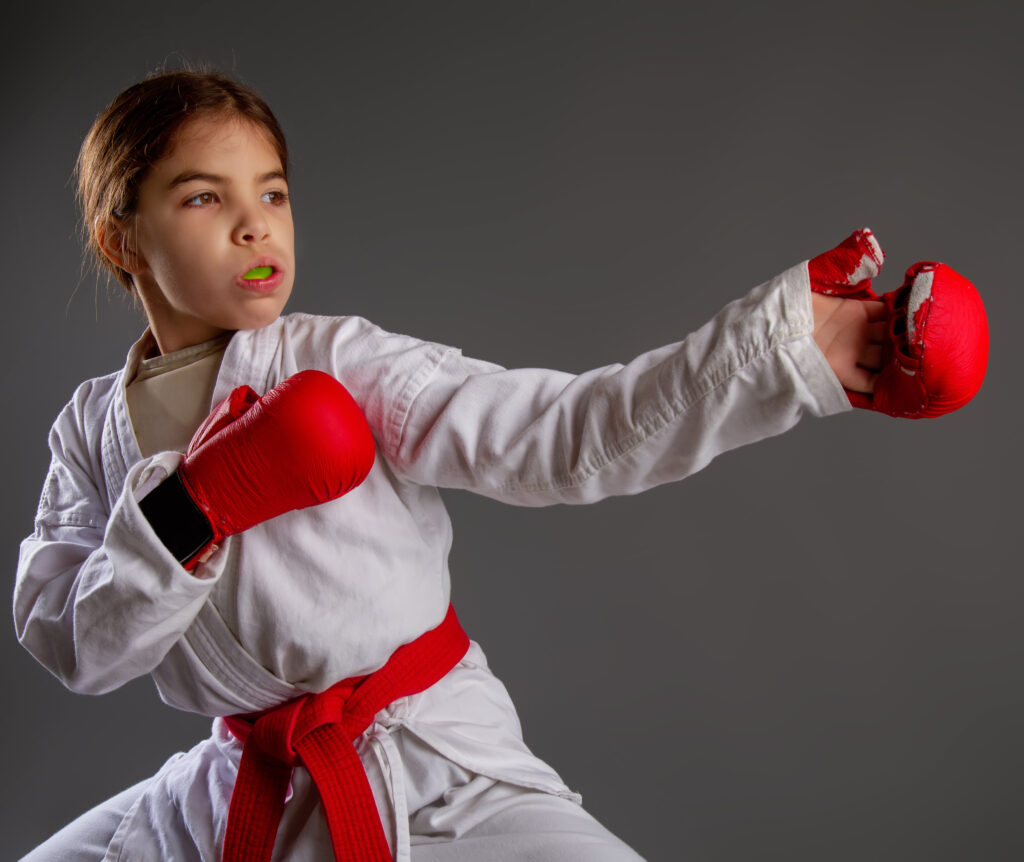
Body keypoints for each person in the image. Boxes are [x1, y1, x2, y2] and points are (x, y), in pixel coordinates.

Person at [13, 66, 984, 862]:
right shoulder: (87, 430)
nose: (255, 224)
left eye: (271, 191)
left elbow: (561, 435)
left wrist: (788, 349)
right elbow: (72, 645)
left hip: (436, 772)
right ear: (120, 236)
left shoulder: (339, 363)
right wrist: (193, 507)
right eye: (202, 197)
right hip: (236, 789)